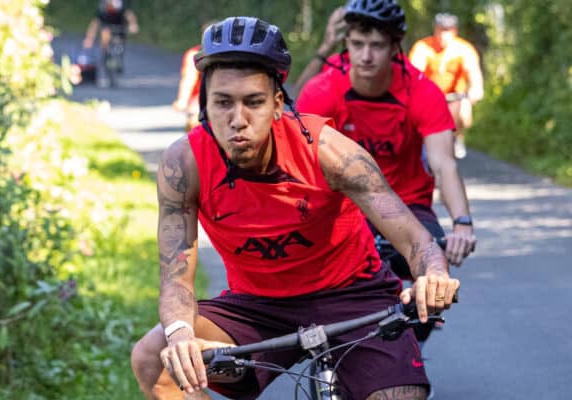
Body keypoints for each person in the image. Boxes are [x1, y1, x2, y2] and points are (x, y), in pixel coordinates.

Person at [130, 16, 460, 400]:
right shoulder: (183, 165)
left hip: (352, 296)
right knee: (154, 356)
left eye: (253, 102)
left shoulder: (330, 152)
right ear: (205, 104)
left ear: (276, 105)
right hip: (256, 308)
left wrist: (433, 273)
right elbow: (175, 276)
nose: (238, 120)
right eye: (222, 103)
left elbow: (415, 238)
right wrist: (181, 333)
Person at [295, 0, 476, 346]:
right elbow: (299, 162)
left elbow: (443, 163)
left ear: (395, 48)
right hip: (339, 206)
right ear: (346, 42)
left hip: (407, 206)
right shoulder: (324, 88)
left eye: (376, 46)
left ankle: (408, 351)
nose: (365, 56)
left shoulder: (422, 91)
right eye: (357, 44)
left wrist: (462, 223)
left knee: (432, 277)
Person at [409, 13, 484, 159]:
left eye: (447, 31)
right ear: (435, 30)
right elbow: (414, 72)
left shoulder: (464, 49)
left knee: (463, 112)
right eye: (440, 30)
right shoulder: (424, 46)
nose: (443, 35)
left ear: (454, 31)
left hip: (455, 97)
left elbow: (474, 73)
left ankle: (457, 138)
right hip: (430, 96)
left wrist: (475, 90)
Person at [82, 0, 139, 86]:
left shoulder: (121, 4)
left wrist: (133, 25)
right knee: (105, 37)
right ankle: (105, 55)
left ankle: (119, 60)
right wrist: (89, 38)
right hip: (107, 27)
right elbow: (95, 22)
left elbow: (129, 14)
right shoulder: (103, 6)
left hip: (120, 27)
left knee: (120, 43)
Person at [171, 43, 201, 131]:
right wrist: (183, 99)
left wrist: (183, 100)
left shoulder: (195, 54)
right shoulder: (195, 54)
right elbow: (189, 77)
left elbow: (189, 78)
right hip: (199, 103)